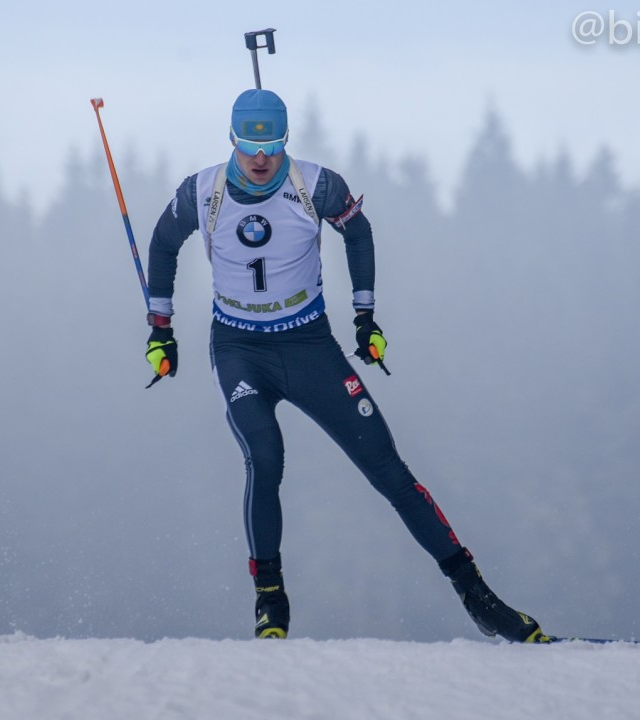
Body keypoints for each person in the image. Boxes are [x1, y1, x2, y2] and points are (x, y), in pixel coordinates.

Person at [143, 88, 547, 642]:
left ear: (286, 140)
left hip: (311, 346)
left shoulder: (315, 185)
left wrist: (365, 317)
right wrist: (160, 331)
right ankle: (270, 601)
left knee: (388, 469)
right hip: (240, 350)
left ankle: (479, 597)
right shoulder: (202, 192)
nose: (261, 159)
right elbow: (164, 244)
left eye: (273, 144)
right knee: (265, 455)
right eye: (249, 145)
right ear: (232, 140)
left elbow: (357, 230)